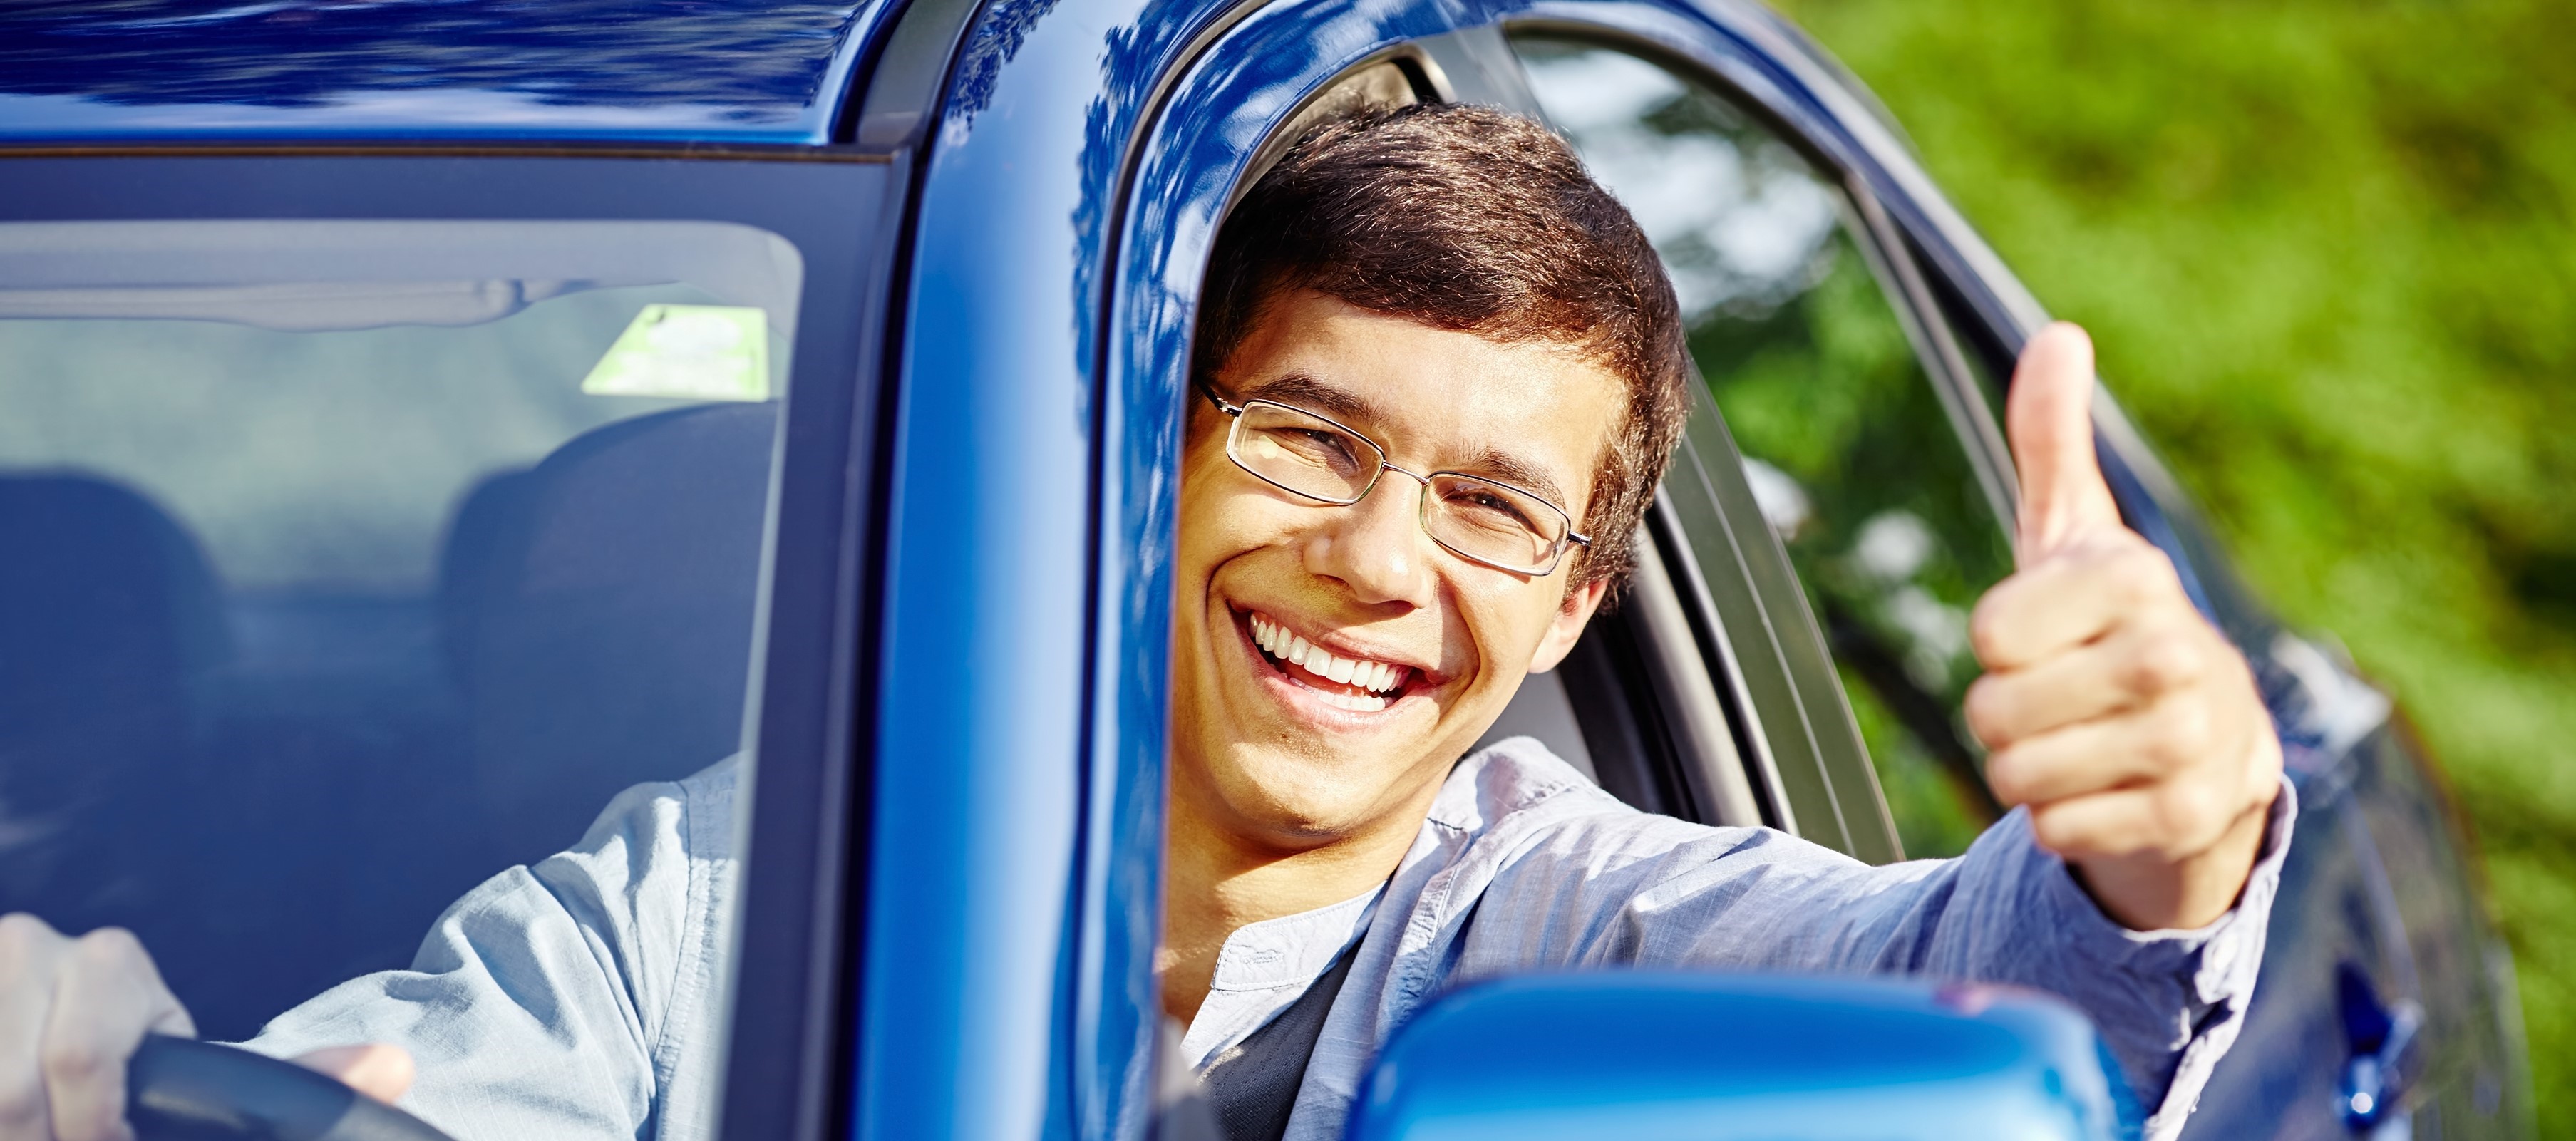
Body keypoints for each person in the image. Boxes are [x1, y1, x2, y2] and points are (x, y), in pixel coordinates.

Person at [0, 103, 2287, 1141]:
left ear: (1584, 597)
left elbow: (2001, 1010)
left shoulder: (1603, 924)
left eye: (1493, 507)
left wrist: (2157, 845)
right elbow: (430, 1093)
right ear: (1150, 452)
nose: (1381, 562)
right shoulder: (742, 871)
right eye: (1308, 439)